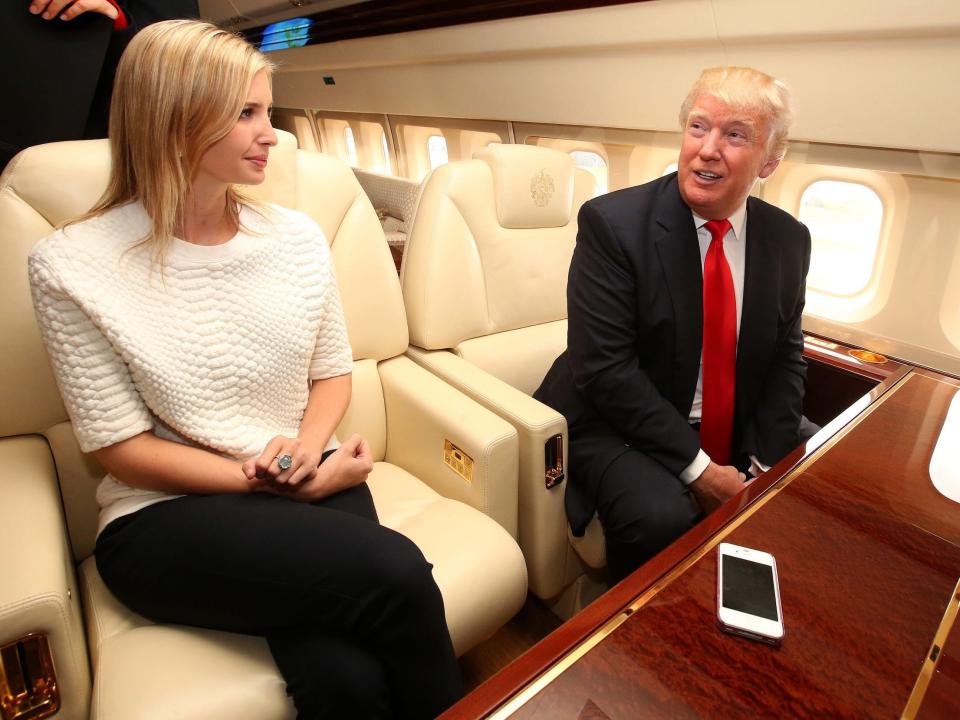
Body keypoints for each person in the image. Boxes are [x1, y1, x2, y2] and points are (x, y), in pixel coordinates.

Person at [28, 20, 461, 720]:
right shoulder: (72, 264)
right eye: (247, 114)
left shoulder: (293, 238)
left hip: (302, 471)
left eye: (269, 109)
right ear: (174, 118)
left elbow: (332, 375)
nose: (273, 134)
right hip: (165, 517)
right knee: (398, 572)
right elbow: (117, 447)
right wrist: (284, 483)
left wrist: (303, 450)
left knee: (342, 681)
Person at [535, 67, 812, 583]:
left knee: (809, 478)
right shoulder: (613, 225)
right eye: (698, 127)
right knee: (661, 517)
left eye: (735, 135)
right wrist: (703, 471)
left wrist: (762, 468)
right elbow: (606, 371)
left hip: (729, 418)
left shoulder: (788, 240)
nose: (708, 149)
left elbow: (785, 358)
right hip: (613, 422)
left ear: (770, 161)